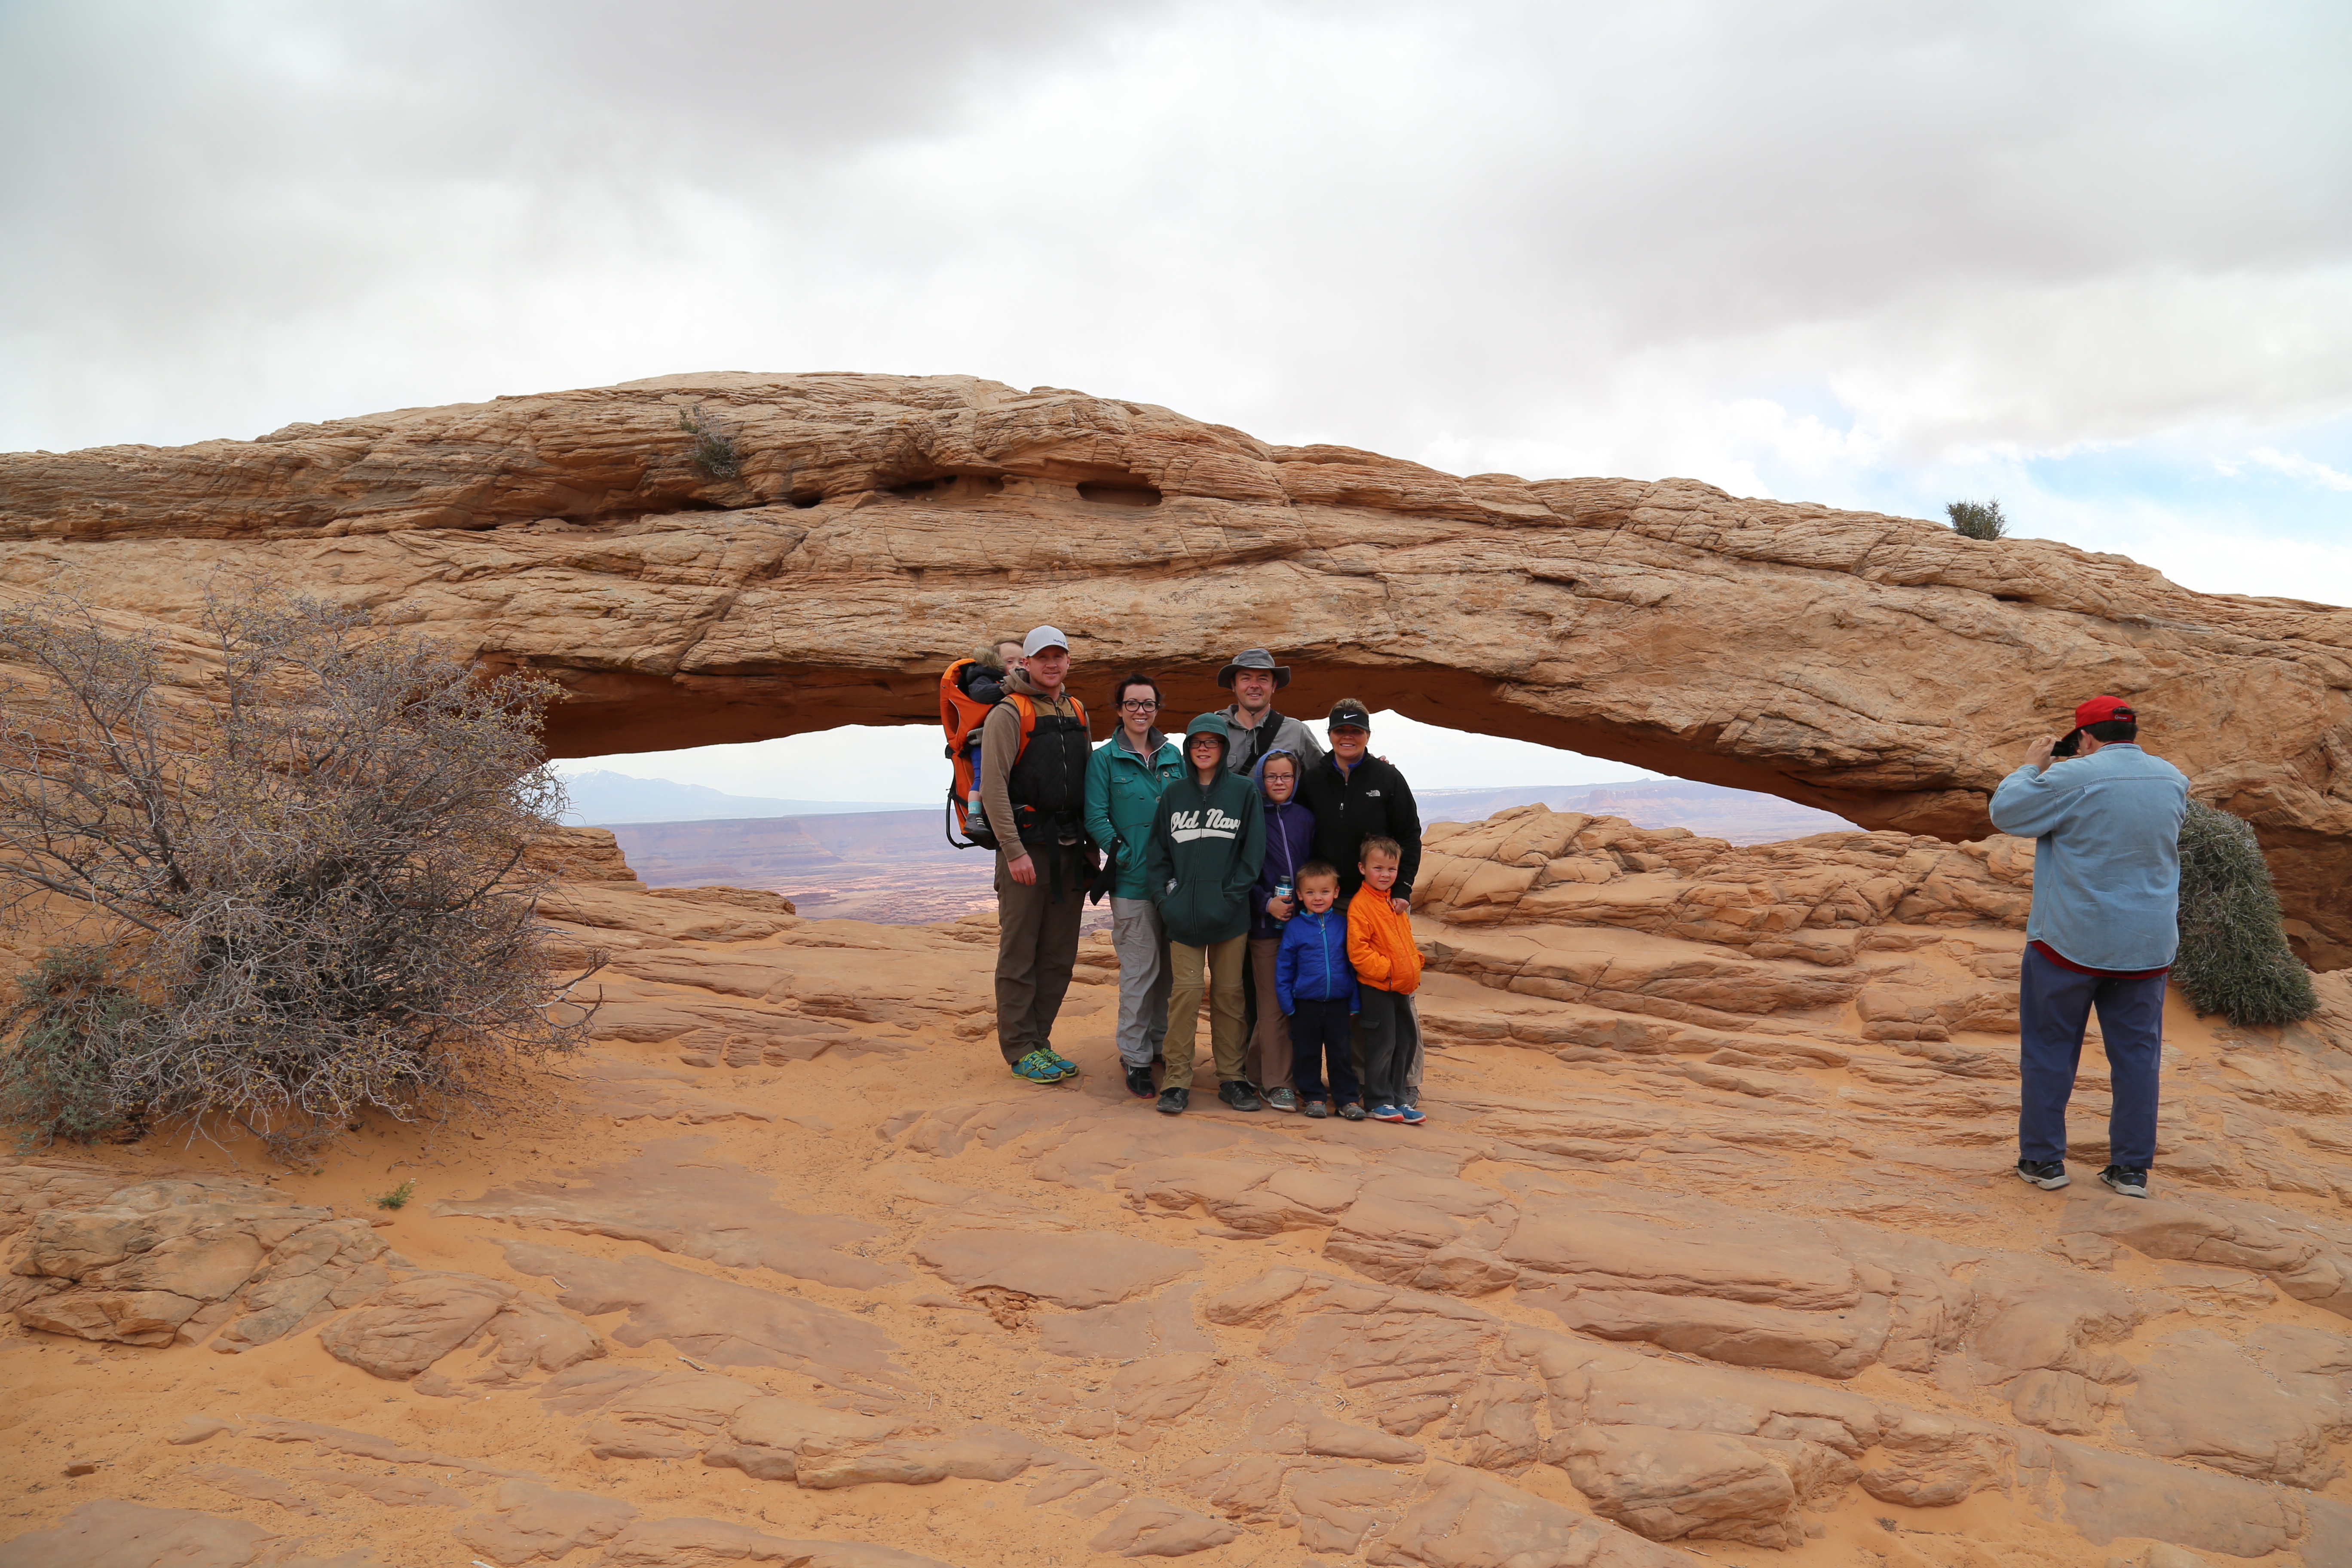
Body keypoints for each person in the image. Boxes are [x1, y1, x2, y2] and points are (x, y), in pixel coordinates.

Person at [1990, 695, 2188, 1200]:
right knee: (2139, 1058)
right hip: (2147, 945)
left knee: (2050, 1051)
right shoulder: (2171, 778)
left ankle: (2043, 1161)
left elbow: (2007, 813)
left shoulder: (2072, 776)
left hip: (2069, 943)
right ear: (2132, 734)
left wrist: (2030, 767)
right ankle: (2131, 1171)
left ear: (2084, 738)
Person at [980, 625, 1096, 1085]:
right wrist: (1013, 852)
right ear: (1026, 662)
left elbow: (1088, 785)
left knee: (1058, 955)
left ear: (1068, 662)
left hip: (1068, 850)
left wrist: (1090, 849)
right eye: (1042, 657)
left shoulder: (1077, 708)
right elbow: (993, 789)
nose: (1051, 664)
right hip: (1026, 849)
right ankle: (1019, 1047)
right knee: (1020, 953)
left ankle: (1039, 1042)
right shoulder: (1009, 713)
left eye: (1059, 657)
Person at [1144, 712, 1266, 1115]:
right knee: (1185, 996)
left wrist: (1230, 898)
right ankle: (1177, 1081)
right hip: (1183, 919)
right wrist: (1167, 902)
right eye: (1197, 742)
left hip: (1230, 917)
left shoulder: (1244, 793)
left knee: (1230, 996)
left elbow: (1252, 857)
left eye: (1211, 742)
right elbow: (1158, 856)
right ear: (1188, 748)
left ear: (1223, 748)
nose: (1203, 748)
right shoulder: (1175, 795)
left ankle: (1231, 1079)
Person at [1084, 672, 1187, 1100]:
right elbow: (1095, 818)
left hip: (1174, 885)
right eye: (1132, 704)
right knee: (1141, 973)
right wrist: (1123, 853)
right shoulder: (1104, 759)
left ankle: (1158, 1045)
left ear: (1157, 709)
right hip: (1131, 884)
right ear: (1120, 709)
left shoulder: (1174, 756)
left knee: (1169, 974)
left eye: (1148, 704)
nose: (1140, 711)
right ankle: (1135, 1056)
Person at [1241, 747, 1317, 1110]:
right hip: (1265, 928)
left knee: (1292, 1005)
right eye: (1272, 776)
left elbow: (1316, 867)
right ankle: (1278, 1085)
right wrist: (1264, 902)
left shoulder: (1305, 817)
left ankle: (1255, 1071)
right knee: (1272, 1007)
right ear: (1261, 779)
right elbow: (1240, 872)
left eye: (1286, 776)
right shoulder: (1251, 816)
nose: (1279, 782)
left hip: (1302, 928)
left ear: (1296, 779)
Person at [1297, 699, 1422, 909]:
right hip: (1328, 901)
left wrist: (1403, 888)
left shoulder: (1388, 778)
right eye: (1340, 730)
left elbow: (1409, 836)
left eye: (1356, 730)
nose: (1348, 736)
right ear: (1330, 735)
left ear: (1368, 735)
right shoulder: (1312, 781)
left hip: (1380, 898)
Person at [1348, 835, 1427, 1124]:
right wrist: (1390, 971)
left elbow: (1405, 941)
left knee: (1404, 1042)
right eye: (1378, 868)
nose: (1385, 875)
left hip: (1401, 987)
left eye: (1391, 870)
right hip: (1378, 988)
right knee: (1383, 1044)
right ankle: (1378, 1101)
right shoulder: (1362, 905)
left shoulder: (1395, 903)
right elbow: (1359, 952)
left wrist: (1414, 966)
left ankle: (1398, 1099)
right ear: (1362, 868)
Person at [1275, 859, 1361, 1119]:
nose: (1318, 898)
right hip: (1305, 1004)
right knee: (1307, 1053)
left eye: (1325, 892)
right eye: (1310, 893)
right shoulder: (1294, 928)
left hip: (1338, 1002)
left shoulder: (1343, 925)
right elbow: (1284, 967)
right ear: (1300, 895)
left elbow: (1351, 966)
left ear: (1336, 892)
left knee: (1340, 1053)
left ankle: (1347, 1100)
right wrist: (1288, 1003)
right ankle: (1314, 1097)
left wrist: (1354, 1002)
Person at [1216, 649, 1326, 778]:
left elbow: (1324, 780)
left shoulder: (1296, 731)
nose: (1254, 685)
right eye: (1246, 678)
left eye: (1263, 679)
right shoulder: (1215, 730)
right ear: (1233, 685)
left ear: (1274, 686)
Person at [958, 636, 1028, 707]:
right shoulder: (987, 676)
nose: (1017, 666)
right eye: (1010, 662)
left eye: (1021, 663)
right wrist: (1007, 687)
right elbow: (978, 694)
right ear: (996, 662)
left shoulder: (1028, 679)